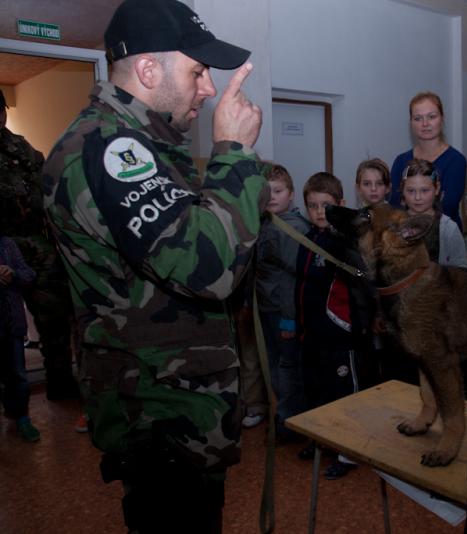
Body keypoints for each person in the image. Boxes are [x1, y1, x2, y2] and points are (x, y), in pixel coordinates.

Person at [41, 0, 267, 531]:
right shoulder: (111, 149)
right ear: (147, 70)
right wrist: (233, 152)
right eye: (197, 71)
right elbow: (208, 269)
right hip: (160, 414)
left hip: (175, 403)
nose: (208, 89)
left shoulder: (141, 143)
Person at [0, 88, 78, 401]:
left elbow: (48, 191)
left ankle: (60, 383)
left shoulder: (23, 149)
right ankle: (13, 397)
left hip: (36, 246)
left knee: (55, 319)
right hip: (2, 249)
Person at [295, 172, 372, 480]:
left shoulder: (345, 240)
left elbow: (362, 282)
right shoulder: (308, 238)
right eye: (312, 205)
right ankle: (323, 440)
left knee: (345, 393)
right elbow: (301, 284)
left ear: (340, 204)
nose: (318, 212)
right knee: (317, 390)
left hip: (341, 335)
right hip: (313, 333)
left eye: (325, 206)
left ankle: (348, 450)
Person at [248, 164, 310, 436]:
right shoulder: (267, 223)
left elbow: (291, 279)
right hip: (267, 308)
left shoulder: (291, 229)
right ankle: (284, 414)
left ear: (291, 194)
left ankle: (289, 422)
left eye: (278, 191)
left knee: (287, 368)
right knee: (274, 366)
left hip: (283, 312)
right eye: (267, 191)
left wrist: (288, 319)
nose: (272, 196)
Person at [390, 92, 466, 228]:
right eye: (418, 118)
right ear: (411, 123)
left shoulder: (456, 161)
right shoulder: (401, 161)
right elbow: (394, 205)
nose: (425, 124)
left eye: (431, 117)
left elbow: (446, 207)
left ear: (442, 119)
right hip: (406, 234)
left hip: (442, 235)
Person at [0, 235, 40, 442]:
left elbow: (29, 274)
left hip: (11, 324)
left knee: (18, 375)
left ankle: (22, 418)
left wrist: (12, 273)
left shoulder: (7, 244)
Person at [400, 159, 467, 267]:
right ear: (402, 190)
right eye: (411, 191)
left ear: (437, 188)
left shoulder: (448, 228)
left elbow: (461, 269)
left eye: (424, 190)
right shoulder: (394, 225)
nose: (417, 197)